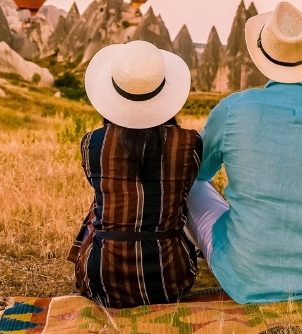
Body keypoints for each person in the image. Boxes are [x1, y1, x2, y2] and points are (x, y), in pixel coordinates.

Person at [185, 2, 302, 304]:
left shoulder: (232, 110)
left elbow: (198, 172)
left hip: (244, 276)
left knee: (191, 185)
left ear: (261, 55)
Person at [69, 40, 202, 308]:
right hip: (170, 280)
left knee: (100, 206)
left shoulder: (92, 144)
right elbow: (186, 187)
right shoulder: (189, 143)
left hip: (103, 278)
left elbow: (97, 186)